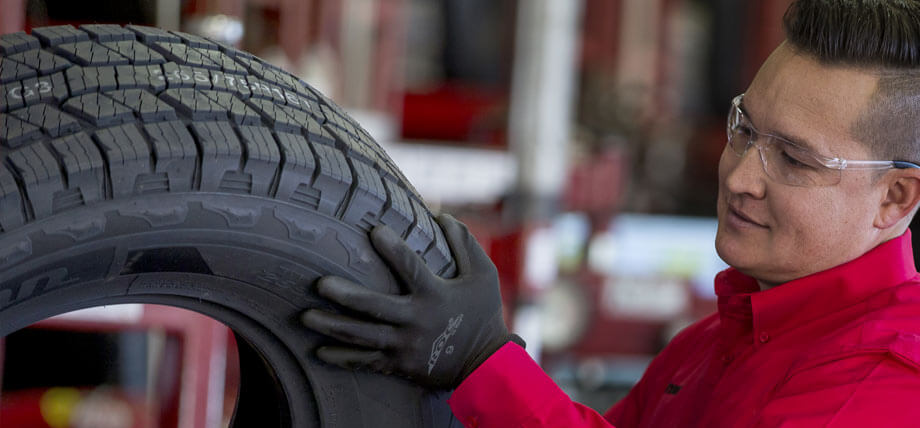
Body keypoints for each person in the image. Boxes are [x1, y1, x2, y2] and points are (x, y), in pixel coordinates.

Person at [301, 0, 920, 426]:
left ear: (894, 199)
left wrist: (482, 362)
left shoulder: (884, 389)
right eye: (745, 128)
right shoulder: (721, 337)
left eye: (794, 160)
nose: (739, 176)